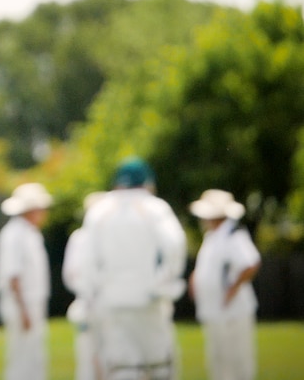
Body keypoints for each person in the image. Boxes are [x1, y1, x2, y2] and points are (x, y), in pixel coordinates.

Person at [78, 157, 186, 380]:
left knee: (124, 368)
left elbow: (86, 259)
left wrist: (100, 287)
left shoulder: (98, 211)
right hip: (149, 299)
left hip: (113, 300)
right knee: (159, 365)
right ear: (146, 182)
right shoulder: (154, 207)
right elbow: (175, 246)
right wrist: (161, 282)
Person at [188, 189, 261, 380]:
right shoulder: (213, 236)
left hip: (232, 313)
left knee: (237, 362)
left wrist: (232, 289)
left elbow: (251, 263)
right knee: (218, 360)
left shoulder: (233, 235)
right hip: (215, 311)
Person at [0, 182, 54, 380]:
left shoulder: (29, 233)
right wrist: (23, 310)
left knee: (34, 356)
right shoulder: (14, 234)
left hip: (32, 303)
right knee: (21, 357)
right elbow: (13, 276)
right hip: (21, 304)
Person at [61, 191, 105, 380]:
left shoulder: (110, 238)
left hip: (110, 306)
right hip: (87, 306)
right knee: (87, 360)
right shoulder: (79, 238)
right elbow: (70, 275)